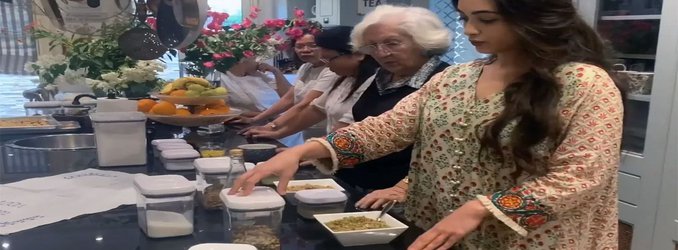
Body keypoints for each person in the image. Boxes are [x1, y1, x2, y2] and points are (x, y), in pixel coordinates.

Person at [230, 0, 626, 249]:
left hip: (533, 239)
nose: (470, 30)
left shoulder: (582, 82)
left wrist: (480, 209)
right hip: (439, 231)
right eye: (466, 17)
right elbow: (386, 128)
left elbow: (581, 175)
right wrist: (305, 150)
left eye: (485, 19)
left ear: (534, 17)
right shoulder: (456, 78)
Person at [245, 5, 452, 192]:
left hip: (398, 194)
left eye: (392, 43)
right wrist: (312, 150)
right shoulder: (381, 76)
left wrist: (403, 187)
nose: (381, 53)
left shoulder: (446, 82)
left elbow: (443, 154)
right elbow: (367, 131)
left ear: (423, 41)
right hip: (354, 181)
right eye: (372, 46)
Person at [242, 26, 380, 138]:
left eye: (330, 59)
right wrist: (276, 132)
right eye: (299, 46)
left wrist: (306, 151)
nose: (328, 66)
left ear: (358, 54)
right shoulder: (343, 79)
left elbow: (346, 128)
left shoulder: (372, 83)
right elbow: (316, 109)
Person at [234, 31, 340, 140]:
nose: (306, 50)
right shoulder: (305, 67)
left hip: (322, 128)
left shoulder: (333, 71)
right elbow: (288, 98)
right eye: (299, 46)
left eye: (313, 46)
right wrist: (255, 119)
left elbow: (305, 104)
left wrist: (271, 126)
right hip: (303, 127)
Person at [220, 58, 291, 115]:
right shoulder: (224, 78)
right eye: (255, 58)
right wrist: (267, 115)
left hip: (278, 120)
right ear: (243, 60)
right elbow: (226, 110)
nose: (259, 62)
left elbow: (291, 97)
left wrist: (275, 71)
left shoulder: (258, 75)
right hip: (248, 125)